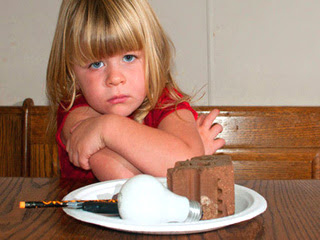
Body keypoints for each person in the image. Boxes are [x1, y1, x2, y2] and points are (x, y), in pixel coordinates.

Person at [46, 0, 225, 181]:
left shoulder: (166, 101)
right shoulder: (77, 113)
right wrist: (187, 156)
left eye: (129, 57)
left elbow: (185, 165)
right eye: (96, 64)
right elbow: (127, 181)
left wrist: (107, 128)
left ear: (154, 55)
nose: (115, 78)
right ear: (72, 71)